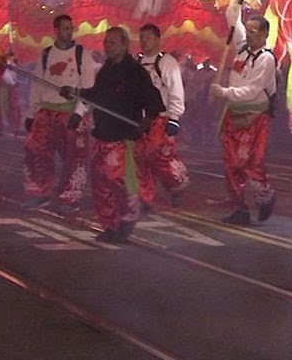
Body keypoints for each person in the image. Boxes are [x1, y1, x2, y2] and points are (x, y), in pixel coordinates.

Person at [71, 27, 165, 242]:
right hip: (103, 132)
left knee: (121, 181)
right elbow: (96, 96)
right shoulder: (106, 70)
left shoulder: (135, 71)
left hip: (123, 136)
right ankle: (110, 225)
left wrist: (146, 122)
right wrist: (76, 93)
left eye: (113, 42)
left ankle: (128, 217)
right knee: (101, 184)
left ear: (124, 45)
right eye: (106, 42)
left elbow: (153, 100)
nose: (108, 46)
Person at [210, 11, 278, 225]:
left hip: (254, 117)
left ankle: (265, 195)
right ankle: (240, 208)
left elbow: (252, 90)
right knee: (231, 163)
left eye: (254, 31)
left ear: (265, 33)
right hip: (233, 114)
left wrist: (223, 92)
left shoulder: (266, 59)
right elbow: (232, 18)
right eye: (247, 30)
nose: (249, 35)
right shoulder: (241, 50)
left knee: (249, 163)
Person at [22, 15, 97, 211]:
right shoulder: (46, 54)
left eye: (71, 28)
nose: (69, 31)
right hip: (46, 112)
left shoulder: (82, 55)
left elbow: (88, 88)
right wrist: (32, 113)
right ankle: (39, 192)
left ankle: (70, 197)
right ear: (55, 29)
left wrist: (79, 113)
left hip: (70, 113)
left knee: (74, 158)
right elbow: (37, 85)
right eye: (65, 28)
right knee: (37, 152)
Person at [135, 23, 190, 210]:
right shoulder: (137, 62)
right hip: (141, 120)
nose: (144, 41)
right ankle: (145, 197)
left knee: (159, 156)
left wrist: (174, 117)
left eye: (148, 37)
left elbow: (176, 90)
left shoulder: (166, 62)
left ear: (158, 39)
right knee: (141, 158)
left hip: (161, 118)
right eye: (142, 37)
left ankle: (177, 182)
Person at [0, 65, 23, 136]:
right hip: (1, 85)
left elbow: (13, 74)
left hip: (11, 86)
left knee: (14, 107)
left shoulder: (12, 60)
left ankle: (14, 128)